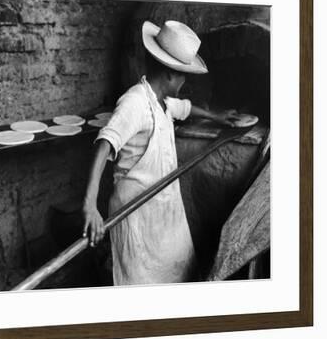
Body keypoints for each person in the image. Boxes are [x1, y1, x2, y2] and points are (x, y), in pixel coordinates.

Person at [82, 20, 239, 285]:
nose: (184, 80)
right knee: (143, 282)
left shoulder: (160, 101)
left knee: (176, 271)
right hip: (136, 214)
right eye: (182, 74)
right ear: (168, 74)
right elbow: (105, 143)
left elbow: (184, 108)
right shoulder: (135, 102)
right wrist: (89, 206)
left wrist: (217, 117)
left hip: (163, 207)